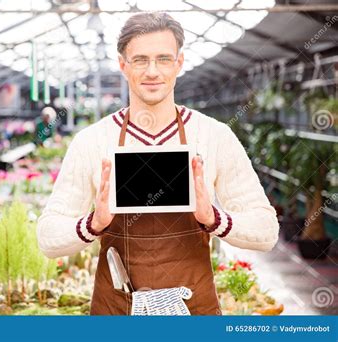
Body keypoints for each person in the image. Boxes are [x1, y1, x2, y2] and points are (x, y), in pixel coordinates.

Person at [37, 12, 279, 315]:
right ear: (123, 65)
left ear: (179, 63)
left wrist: (214, 218)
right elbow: (47, 238)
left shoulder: (214, 136)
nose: (152, 71)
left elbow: (267, 231)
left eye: (164, 59)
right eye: (140, 60)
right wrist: (93, 224)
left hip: (194, 309)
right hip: (116, 311)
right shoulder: (93, 141)